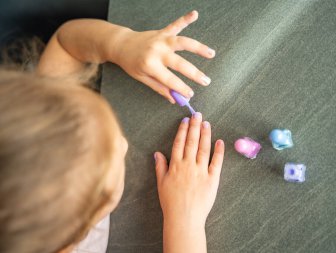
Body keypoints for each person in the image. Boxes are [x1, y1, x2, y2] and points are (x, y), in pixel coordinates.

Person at [0, 10, 225, 253]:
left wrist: (122, 44)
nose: (122, 143)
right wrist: (185, 222)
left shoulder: (35, 122)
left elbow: (65, 44)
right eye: (109, 162)